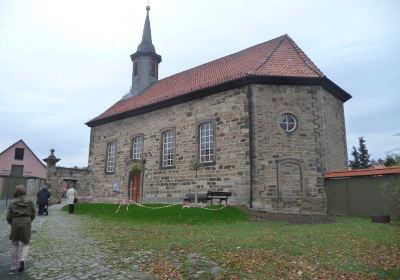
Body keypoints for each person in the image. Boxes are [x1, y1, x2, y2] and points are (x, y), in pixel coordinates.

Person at [6, 186, 36, 273]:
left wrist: (12, 223)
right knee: (26, 243)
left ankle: (13, 265)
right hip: (26, 222)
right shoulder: (30, 201)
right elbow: (33, 213)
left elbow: (8, 216)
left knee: (14, 244)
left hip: (15, 222)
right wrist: (30, 220)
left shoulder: (12, 202)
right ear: (24, 192)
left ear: (16, 192)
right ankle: (22, 260)